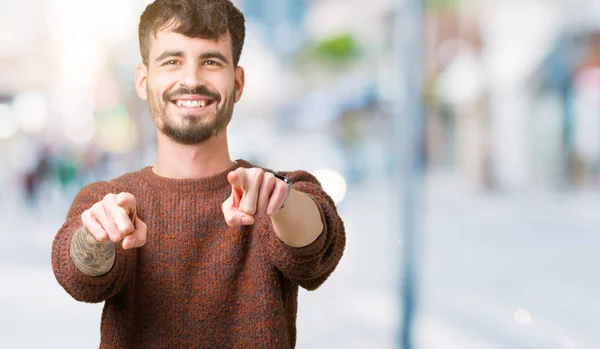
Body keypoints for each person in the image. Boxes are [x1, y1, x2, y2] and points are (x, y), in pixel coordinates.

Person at [50, 0, 346, 348]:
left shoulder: (277, 192)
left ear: (237, 83)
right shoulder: (107, 201)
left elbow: (319, 249)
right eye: (172, 61)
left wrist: (279, 200)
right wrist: (97, 235)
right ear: (143, 81)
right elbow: (78, 276)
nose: (191, 79)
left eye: (210, 61)